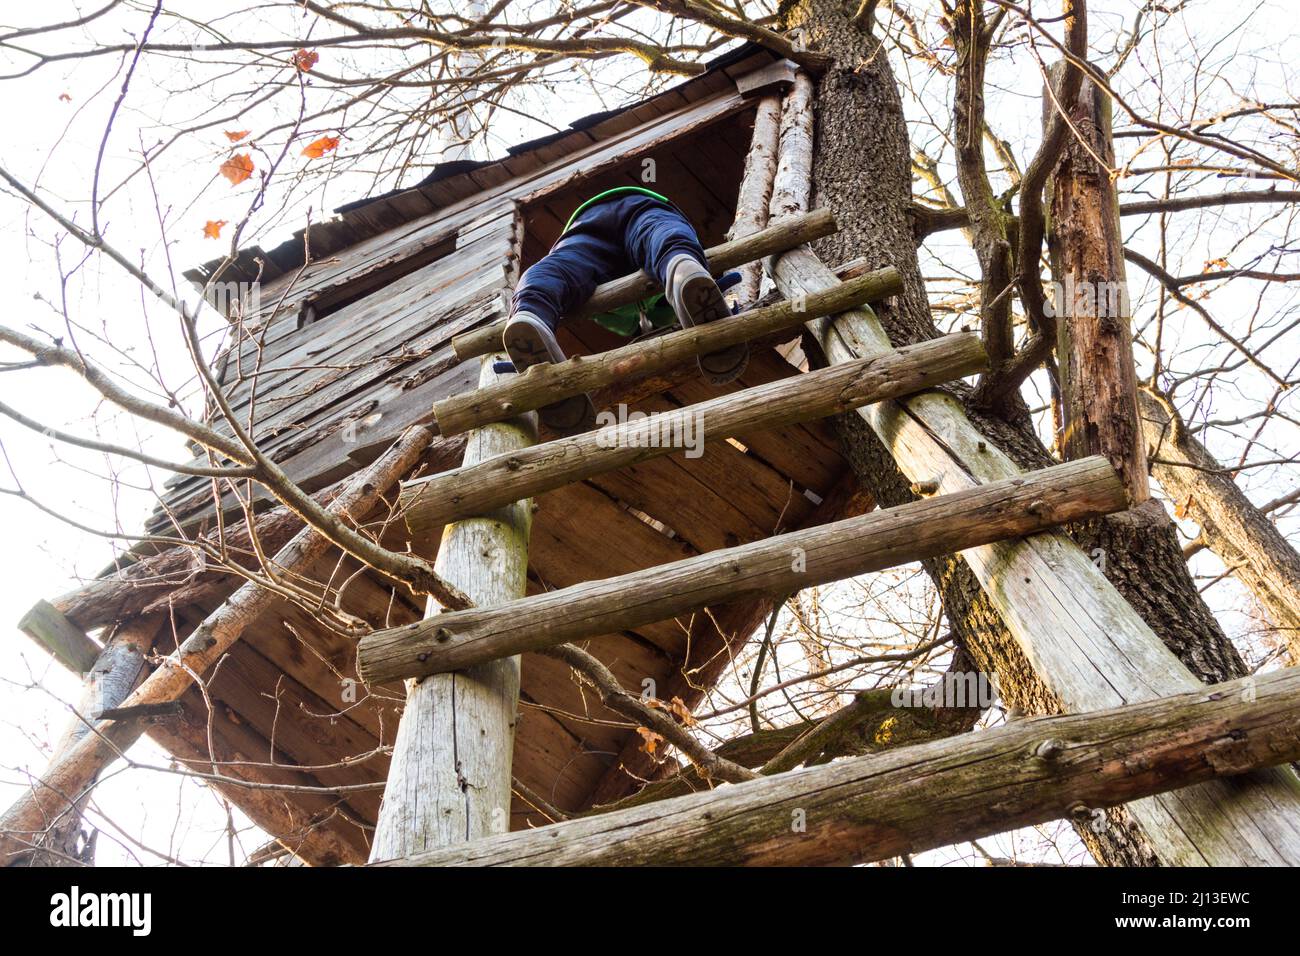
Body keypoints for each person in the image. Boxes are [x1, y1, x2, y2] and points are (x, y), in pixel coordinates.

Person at [502, 186, 748, 434]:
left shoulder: (620, 322)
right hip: (644, 205)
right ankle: (680, 264)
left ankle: (530, 313)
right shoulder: (651, 317)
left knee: (560, 269)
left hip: (586, 226)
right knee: (661, 235)